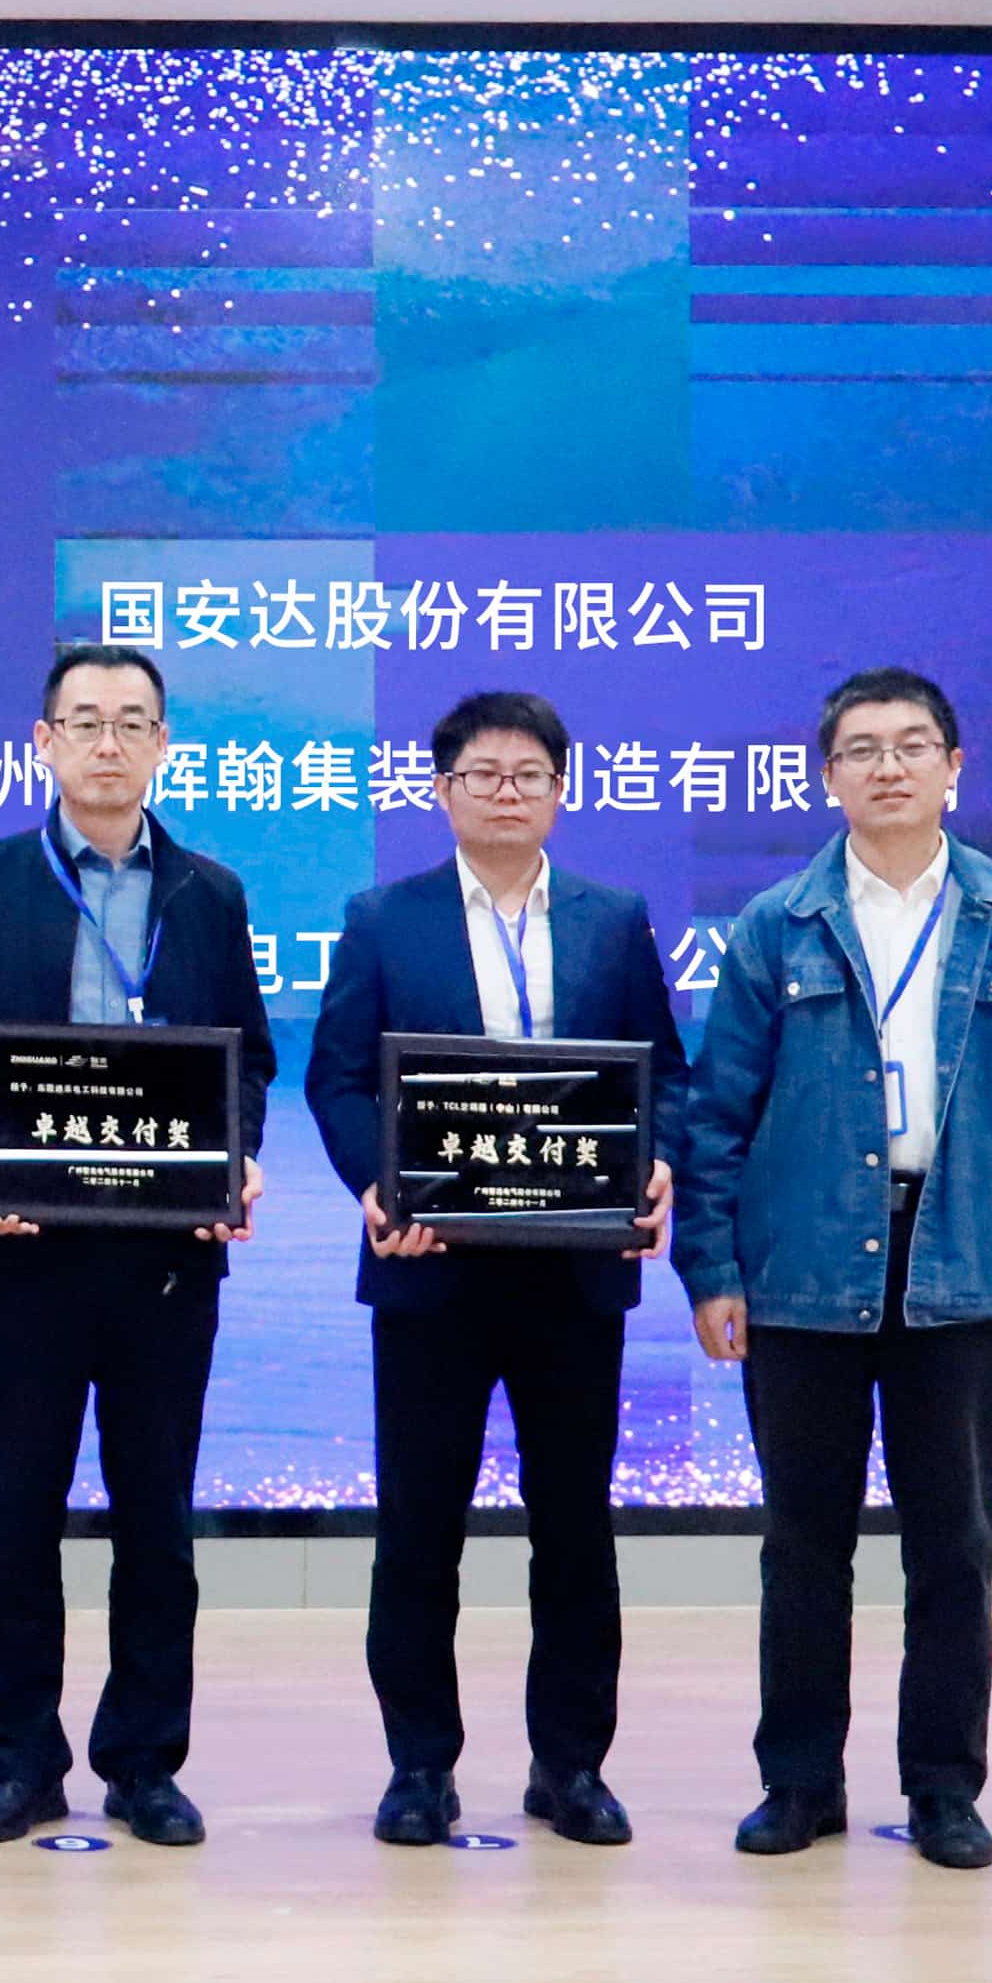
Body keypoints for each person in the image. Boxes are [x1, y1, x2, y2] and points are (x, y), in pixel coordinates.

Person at [677, 667, 992, 1871]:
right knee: (800, 1542)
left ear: (952, 766)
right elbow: (715, 1114)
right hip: (801, 1267)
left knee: (951, 1544)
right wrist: (710, 1268)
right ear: (825, 775)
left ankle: (940, 1786)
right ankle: (796, 1781)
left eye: (911, 744)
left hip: (962, 1255)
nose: (887, 766)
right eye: (861, 748)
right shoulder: (775, 924)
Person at [0, 642, 273, 1850]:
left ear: (162, 744)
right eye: (84, 720)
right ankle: (20, 1760)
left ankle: (143, 1761)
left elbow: (245, 1057)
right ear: (42, 740)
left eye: (131, 721)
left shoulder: (207, 891)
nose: (108, 742)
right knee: (18, 1511)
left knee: (155, 1514)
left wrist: (234, 1155)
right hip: (18, 1249)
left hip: (164, 1256)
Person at [305, 690, 682, 1851]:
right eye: (480, 773)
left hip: (573, 1273)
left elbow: (663, 1073)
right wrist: (377, 1185)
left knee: (573, 1528)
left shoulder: (613, 919)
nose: (504, 791)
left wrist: (657, 1159)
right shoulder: (384, 918)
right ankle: (418, 1765)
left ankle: (569, 1765)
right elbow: (338, 1079)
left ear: (560, 789)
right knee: (419, 1528)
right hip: (431, 1270)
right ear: (442, 791)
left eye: (527, 773)